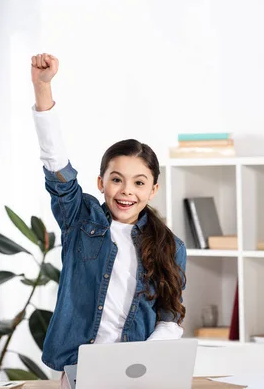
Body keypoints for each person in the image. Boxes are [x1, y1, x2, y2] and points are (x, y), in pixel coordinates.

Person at [30, 53, 187, 378]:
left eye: (139, 182)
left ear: (153, 190)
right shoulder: (80, 219)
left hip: (135, 372)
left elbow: (169, 317)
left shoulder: (170, 247)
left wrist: (146, 363)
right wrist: (42, 89)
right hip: (78, 369)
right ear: (101, 183)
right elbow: (56, 164)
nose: (126, 191)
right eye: (117, 179)